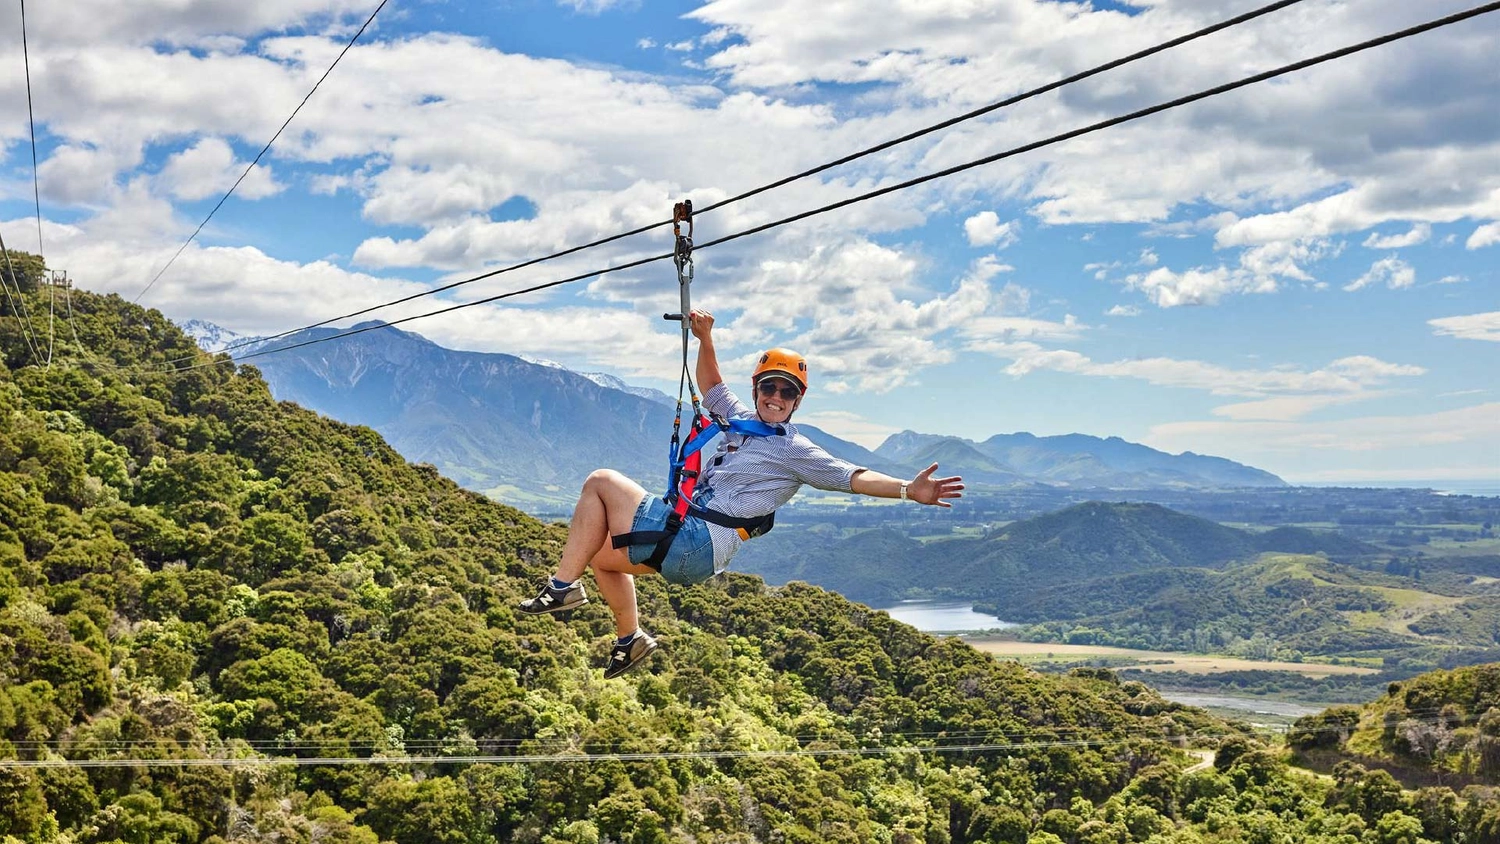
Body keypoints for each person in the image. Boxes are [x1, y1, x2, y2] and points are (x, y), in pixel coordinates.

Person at [518, 309, 964, 678]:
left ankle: (560, 587)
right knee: (600, 559)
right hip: (696, 553)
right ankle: (630, 638)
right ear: (757, 390)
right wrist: (706, 338)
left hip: (694, 539)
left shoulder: (793, 449)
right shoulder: (739, 418)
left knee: (600, 482)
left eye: (786, 392)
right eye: (768, 386)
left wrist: (909, 489)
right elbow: (712, 385)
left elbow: (852, 476)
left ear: (796, 403)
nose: (775, 396)